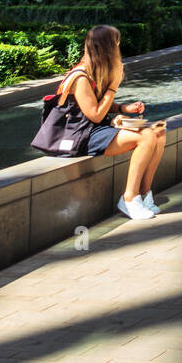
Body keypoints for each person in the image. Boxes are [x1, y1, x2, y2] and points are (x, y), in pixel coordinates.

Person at [54, 26, 166, 221]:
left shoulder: (95, 71)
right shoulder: (80, 77)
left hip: (95, 128)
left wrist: (124, 109)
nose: (118, 47)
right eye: (116, 43)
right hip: (80, 135)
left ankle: (144, 195)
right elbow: (95, 115)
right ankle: (129, 198)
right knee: (146, 137)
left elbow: (97, 105)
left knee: (158, 132)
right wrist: (114, 86)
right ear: (107, 48)